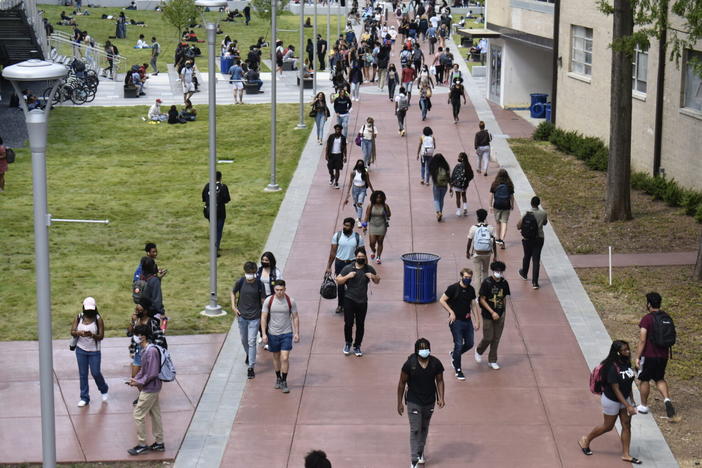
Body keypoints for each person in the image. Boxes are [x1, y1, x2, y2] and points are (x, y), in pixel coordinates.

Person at [579, 340, 642, 465]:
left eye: (628, 349)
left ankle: (626, 454)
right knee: (608, 426)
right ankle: (585, 440)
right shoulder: (611, 367)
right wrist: (628, 405)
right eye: (624, 350)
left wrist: (632, 399)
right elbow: (616, 389)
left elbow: (628, 382)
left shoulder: (626, 362)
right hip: (611, 400)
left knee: (626, 425)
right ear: (618, 352)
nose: (628, 351)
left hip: (625, 399)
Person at [397, 338, 445, 468]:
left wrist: (441, 397)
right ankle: (414, 460)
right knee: (416, 429)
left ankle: (420, 452)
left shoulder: (435, 363)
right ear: (416, 350)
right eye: (422, 348)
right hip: (414, 400)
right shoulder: (409, 364)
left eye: (426, 347)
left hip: (429, 401)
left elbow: (440, 380)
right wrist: (399, 402)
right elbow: (401, 383)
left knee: (424, 428)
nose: (424, 350)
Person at [635, 292, 676, 418]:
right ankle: (667, 400)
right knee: (659, 378)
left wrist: (637, 356)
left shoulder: (647, 319)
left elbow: (642, 339)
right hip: (663, 355)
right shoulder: (667, 317)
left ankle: (643, 406)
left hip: (649, 355)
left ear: (649, 304)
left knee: (644, 379)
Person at [127, 324, 165, 456]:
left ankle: (142, 444)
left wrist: (139, 381)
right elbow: (144, 370)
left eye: (136, 335)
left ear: (142, 336)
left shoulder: (151, 351)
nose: (134, 337)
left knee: (138, 414)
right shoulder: (145, 350)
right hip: (151, 387)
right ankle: (159, 443)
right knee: (155, 414)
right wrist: (135, 379)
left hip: (150, 388)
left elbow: (152, 373)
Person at [336, 247, 380, 357]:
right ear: (355, 257)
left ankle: (357, 346)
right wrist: (348, 276)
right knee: (349, 323)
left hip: (362, 301)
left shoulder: (368, 268)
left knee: (360, 325)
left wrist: (372, 276)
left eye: (362, 257)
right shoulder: (348, 268)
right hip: (349, 299)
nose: (360, 258)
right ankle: (348, 343)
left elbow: (378, 280)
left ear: (365, 257)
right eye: (358, 256)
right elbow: (338, 280)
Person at [439, 269, 480, 381]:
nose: (468, 279)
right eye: (466, 277)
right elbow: (442, 300)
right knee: (458, 344)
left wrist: (477, 320)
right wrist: (451, 312)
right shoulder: (453, 288)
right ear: (461, 276)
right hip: (456, 322)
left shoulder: (471, 290)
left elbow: (473, 305)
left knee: (470, 343)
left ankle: (454, 355)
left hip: (467, 321)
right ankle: (458, 369)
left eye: (470, 278)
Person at [261, 280, 300, 394]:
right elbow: (263, 317)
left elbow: (295, 317)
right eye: (277, 290)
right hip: (273, 334)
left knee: (284, 358)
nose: (279, 292)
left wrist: (297, 332)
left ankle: (284, 381)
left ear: (285, 289)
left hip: (286, 333)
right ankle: (278, 377)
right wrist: (264, 333)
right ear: (274, 290)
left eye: (281, 290)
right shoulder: (269, 301)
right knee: (276, 357)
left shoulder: (290, 301)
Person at [127, 300, 167, 405]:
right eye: (136, 309)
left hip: (148, 353)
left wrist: (150, 347)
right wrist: (132, 322)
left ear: (145, 311)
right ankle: (143, 395)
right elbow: (129, 333)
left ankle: (145, 397)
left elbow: (160, 337)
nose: (136, 311)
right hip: (138, 353)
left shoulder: (152, 322)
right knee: (135, 378)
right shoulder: (136, 321)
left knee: (148, 377)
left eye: (139, 309)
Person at [70, 297, 108, 407]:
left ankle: (103, 388)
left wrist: (92, 335)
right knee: (83, 374)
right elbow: (72, 331)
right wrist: (78, 332)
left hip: (94, 351)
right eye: (87, 310)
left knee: (95, 372)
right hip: (81, 349)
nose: (89, 312)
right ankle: (84, 397)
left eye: (91, 310)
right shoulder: (79, 317)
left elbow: (101, 336)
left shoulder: (98, 319)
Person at [231, 262, 266, 379]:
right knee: (244, 340)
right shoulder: (240, 282)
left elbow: (263, 300)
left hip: (254, 318)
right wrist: (233, 306)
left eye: (252, 273)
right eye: (248, 273)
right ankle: (249, 354)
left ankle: (251, 367)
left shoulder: (259, 284)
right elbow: (233, 292)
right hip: (242, 317)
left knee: (252, 341)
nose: (250, 275)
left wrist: (263, 314)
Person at [475, 261, 510, 369]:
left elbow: (504, 298)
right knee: (488, 337)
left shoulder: (504, 283)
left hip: (500, 314)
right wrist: (492, 312)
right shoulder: (487, 282)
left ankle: (492, 360)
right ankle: (479, 350)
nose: (498, 273)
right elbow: (482, 299)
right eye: (497, 271)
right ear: (493, 271)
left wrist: (504, 312)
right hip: (488, 314)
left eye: (500, 271)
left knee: (496, 338)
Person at [326, 217, 364, 314]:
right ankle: (340, 305)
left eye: (347, 226)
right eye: (344, 225)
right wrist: (329, 266)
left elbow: (362, 253)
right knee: (340, 285)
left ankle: (353, 305)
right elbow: (332, 252)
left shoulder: (358, 238)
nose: (345, 227)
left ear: (352, 227)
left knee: (353, 285)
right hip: (340, 263)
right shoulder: (337, 236)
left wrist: (365, 267)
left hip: (352, 263)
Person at [517, 196, 548, 289]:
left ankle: (524, 273)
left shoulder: (527, 214)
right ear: (539, 204)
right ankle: (535, 282)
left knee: (527, 256)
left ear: (531, 203)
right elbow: (545, 223)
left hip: (527, 239)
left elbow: (518, 225)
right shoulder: (543, 213)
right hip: (539, 238)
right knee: (536, 259)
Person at [202, 171, 231, 256]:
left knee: (213, 229)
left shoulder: (207, 186)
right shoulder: (223, 186)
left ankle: (215, 246)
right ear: (220, 178)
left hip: (209, 211)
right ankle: (215, 248)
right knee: (218, 230)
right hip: (220, 212)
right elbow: (227, 199)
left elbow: (203, 198)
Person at [466, 209, 497, 290]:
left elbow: (469, 241)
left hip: (477, 254)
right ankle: (485, 292)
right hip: (487, 253)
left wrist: (467, 252)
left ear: (477, 217)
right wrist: (495, 255)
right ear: (485, 217)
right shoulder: (490, 228)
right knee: (485, 272)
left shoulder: (473, 228)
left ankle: (478, 295)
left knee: (477, 275)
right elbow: (493, 242)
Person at [489, 169, 515, 249]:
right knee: (504, 222)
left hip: (497, 205)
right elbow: (512, 197)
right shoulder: (509, 184)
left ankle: (498, 237)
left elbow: (491, 196)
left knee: (498, 223)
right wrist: (512, 205)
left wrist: (490, 205)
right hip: (506, 206)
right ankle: (502, 240)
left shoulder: (495, 184)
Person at [363, 190, 390, 265]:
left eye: (380, 198)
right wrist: (364, 226)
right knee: (372, 242)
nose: (379, 199)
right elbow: (366, 216)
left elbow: (389, 214)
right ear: (374, 198)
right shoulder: (370, 206)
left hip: (382, 225)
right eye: (377, 198)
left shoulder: (385, 206)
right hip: (372, 225)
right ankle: (373, 250)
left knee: (380, 242)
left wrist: (386, 212)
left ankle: (378, 257)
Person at [344, 160, 374, 225]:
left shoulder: (365, 173)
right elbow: (350, 183)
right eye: (359, 164)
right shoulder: (353, 173)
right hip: (354, 189)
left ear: (363, 166)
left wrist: (372, 191)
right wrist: (348, 192)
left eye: (361, 164)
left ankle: (359, 220)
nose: (360, 166)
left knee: (359, 204)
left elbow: (368, 182)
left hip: (362, 190)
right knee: (355, 204)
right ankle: (358, 215)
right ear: (356, 165)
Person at [449, 152, 474, 217]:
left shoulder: (458, 166)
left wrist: (451, 184)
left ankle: (458, 211)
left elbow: (453, 175)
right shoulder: (468, 166)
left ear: (462, 158)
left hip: (457, 184)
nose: (458, 158)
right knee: (464, 195)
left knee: (458, 197)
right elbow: (471, 175)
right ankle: (465, 208)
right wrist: (467, 180)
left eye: (459, 157)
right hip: (465, 184)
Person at [428, 153, 450, 222]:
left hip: (436, 185)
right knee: (441, 199)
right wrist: (451, 186)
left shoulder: (433, 166)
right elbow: (449, 177)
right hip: (444, 185)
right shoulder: (446, 166)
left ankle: (438, 212)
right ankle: (440, 211)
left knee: (436, 199)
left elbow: (430, 174)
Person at [324, 124, 347, 188]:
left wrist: (345, 156)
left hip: (339, 155)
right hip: (331, 155)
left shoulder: (343, 138)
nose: (337, 131)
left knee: (337, 169)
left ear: (341, 130)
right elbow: (328, 146)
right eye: (336, 129)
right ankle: (332, 176)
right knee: (330, 167)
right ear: (335, 130)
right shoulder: (331, 136)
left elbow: (345, 147)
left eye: (339, 130)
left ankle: (336, 182)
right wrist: (326, 154)